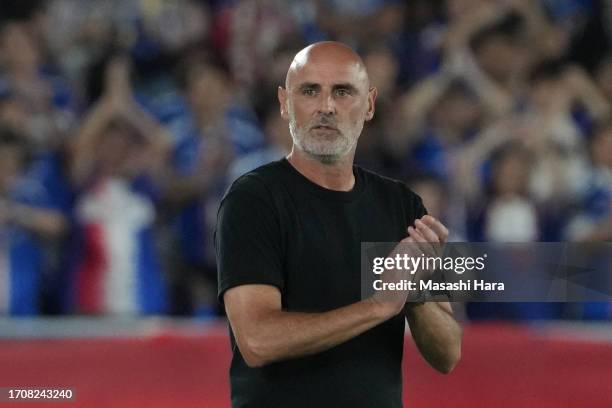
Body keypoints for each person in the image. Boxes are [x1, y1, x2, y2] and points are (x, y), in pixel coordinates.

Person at [215, 41, 462, 407]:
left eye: (343, 92)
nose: (326, 107)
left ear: (369, 105)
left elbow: (448, 354)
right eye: (310, 90)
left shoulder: (401, 204)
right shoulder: (253, 200)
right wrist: (378, 305)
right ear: (285, 103)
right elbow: (257, 341)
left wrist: (413, 291)